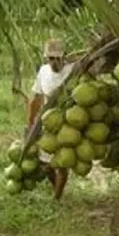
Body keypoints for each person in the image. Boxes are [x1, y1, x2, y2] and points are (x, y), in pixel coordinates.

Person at [27, 38, 74, 200]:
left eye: (58, 57)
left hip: (70, 121)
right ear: (46, 57)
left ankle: (57, 197)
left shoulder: (73, 70)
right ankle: (57, 188)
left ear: (64, 56)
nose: (55, 61)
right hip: (48, 120)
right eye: (51, 58)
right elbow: (37, 98)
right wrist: (31, 121)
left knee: (62, 163)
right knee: (45, 165)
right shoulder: (43, 71)